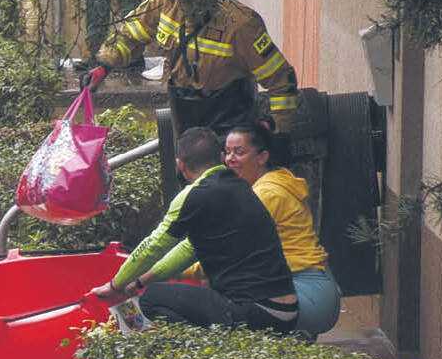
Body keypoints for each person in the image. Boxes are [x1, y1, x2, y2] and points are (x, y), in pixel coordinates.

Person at [91, 127, 301, 333]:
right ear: (220, 157)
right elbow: (189, 249)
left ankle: (127, 348)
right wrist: (138, 282)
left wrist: (115, 286)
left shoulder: (195, 195)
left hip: (253, 312)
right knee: (150, 293)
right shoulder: (238, 185)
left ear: (180, 165)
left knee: (149, 299)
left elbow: (153, 245)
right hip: (287, 313)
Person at [92, 0, 301, 134]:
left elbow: (281, 79)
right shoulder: (166, 2)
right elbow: (130, 33)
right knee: (186, 173)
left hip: (229, 117)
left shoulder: (241, 24)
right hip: (182, 112)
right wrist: (104, 66)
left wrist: (278, 130)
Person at [223, 122, 340, 335]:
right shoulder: (273, 182)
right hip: (310, 289)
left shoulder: (266, 194)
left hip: (307, 293)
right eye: (227, 152)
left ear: (262, 157)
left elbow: (226, 250)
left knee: (217, 304)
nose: (230, 158)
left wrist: (168, 272)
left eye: (239, 152)